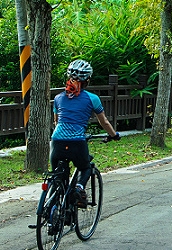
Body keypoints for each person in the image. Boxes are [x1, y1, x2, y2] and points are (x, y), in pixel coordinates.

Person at [51, 59, 120, 208]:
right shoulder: (92, 98)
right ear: (88, 80)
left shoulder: (58, 98)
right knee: (86, 167)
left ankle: (51, 206)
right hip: (77, 141)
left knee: (56, 176)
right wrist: (114, 135)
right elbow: (104, 122)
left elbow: (56, 122)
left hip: (57, 141)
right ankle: (79, 188)